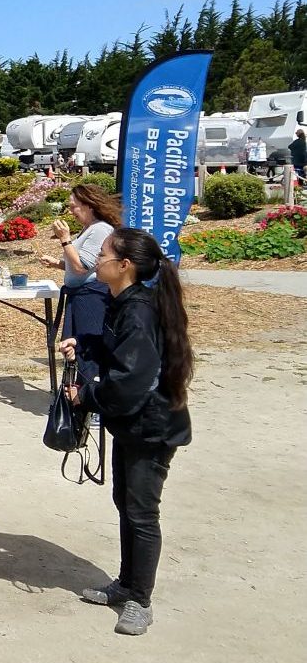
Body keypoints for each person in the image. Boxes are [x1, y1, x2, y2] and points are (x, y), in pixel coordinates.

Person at [60, 228, 193, 636]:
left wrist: (87, 395)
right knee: (126, 503)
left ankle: (141, 599)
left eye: (102, 255)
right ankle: (126, 583)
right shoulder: (124, 302)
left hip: (152, 427)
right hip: (133, 424)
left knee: (141, 511)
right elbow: (115, 350)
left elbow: (132, 378)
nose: (95, 261)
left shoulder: (138, 310)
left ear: (124, 266)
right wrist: (82, 346)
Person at [41, 184, 120, 383]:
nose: (71, 211)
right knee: (74, 349)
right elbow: (79, 265)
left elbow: (82, 267)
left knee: (86, 349)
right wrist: (58, 264)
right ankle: (79, 393)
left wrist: (65, 240)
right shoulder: (88, 229)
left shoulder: (100, 229)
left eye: (73, 206)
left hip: (91, 297)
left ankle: (88, 393)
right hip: (79, 295)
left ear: (88, 206)